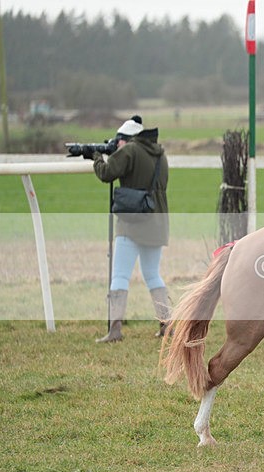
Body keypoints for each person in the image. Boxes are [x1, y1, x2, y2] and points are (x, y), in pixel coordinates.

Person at [91, 115, 170, 343]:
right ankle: (168, 324)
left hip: (131, 224)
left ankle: (115, 329)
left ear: (125, 139)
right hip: (157, 223)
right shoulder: (160, 153)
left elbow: (106, 173)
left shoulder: (130, 150)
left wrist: (96, 157)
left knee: (120, 276)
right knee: (153, 275)